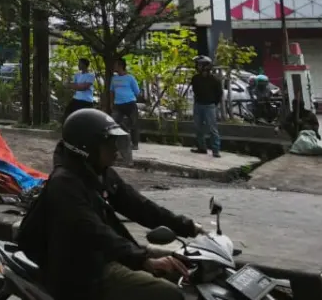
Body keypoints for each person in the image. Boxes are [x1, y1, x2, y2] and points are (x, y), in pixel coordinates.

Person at [16, 108, 202, 300]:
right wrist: (143, 260)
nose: (115, 148)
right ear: (87, 147)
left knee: (184, 268)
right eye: (108, 143)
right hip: (82, 269)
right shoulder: (65, 184)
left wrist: (189, 226)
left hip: (103, 254)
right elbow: (94, 232)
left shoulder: (99, 172)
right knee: (168, 294)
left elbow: (140, 206)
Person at [190, 55, 222, 158]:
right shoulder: (195, 79)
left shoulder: (214, 80)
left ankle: (216, 150)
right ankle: (202, 147)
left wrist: (213, 103)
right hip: (198, 105)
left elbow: (219, 94)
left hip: (209, 106)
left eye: (200, 65)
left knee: (212, 129)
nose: (197, 66)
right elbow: (195, 91)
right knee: (198, 127)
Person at [110, 59, 140, 151]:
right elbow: (111, 91)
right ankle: (114, 143)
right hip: (118, 105)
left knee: (134, 123)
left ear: (120, 66)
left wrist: (129, 98)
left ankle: (135, 144)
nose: (114, 67)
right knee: (114, 123)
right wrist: (112, 103)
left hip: (130, 103)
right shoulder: (114, 78)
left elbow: (137, 91)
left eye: (115, 65)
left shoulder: (130, 78)